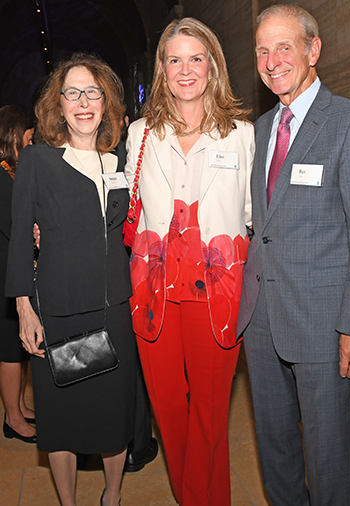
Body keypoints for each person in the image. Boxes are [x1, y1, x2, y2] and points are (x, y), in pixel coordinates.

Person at [237, 4, 350, 506]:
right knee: (276, 452)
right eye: (263, 50)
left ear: (313, 49)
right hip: (262, 323)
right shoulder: (257, 132)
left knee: (328, 459)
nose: (272, 59)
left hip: (326, 326)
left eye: (285, 46)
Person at [124, 17, 254, 506]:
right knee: (168, 408)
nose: (185, 70)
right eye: (174, 59)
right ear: (161, 68)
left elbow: (253, 214)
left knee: (209, 411)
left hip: (215, 291)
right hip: (153, 290)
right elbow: (122, 204)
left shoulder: (241, 134)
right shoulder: (140, 134)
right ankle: (196, 497)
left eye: (195, 58)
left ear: (212, 65)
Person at [5, 53, 136, 506]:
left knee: (114, 415)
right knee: (60, 420)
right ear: (57, 105)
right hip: (57, 311)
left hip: (115, 309)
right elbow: (20, 236)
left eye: (93, 92)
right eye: (73, 93)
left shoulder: (118, 160)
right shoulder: (39, 161)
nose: (84, 102)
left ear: (106, 103)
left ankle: (113, 496)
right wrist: (24, 308)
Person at [0, 105, 36, 444]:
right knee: (10, 351)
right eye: (27, 139)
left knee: (18, 348)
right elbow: (15, 227)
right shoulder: (1, 176)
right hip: (4, 274)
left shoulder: (9, 171)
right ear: (13, 137)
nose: (30, 144)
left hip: (10, 268)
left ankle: (19, 405)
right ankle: (12, 418)